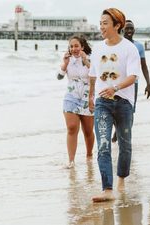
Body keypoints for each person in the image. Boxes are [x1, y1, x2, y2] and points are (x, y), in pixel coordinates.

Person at [88, 8, 142, 202]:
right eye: (100, 23)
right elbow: (93, 75)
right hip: (102, 103)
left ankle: (121, 179)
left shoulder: (129, 48)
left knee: (125, 145)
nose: (101, 27)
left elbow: (134, 76)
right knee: (103, 144)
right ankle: (107, 189)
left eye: (105, 23)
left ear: (117, 25)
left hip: (124, 103)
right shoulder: (97, 48)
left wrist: (115, 88)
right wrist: (91, 96)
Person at [111, 19, 150, 143]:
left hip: (133, 84)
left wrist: (148, 83)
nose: (129, 31)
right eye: (127, 28)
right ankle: (117, 130)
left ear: (134, 30)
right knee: (113, 108)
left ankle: (125, 136)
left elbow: (144, 66)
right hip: (117, 83)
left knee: (130, 109)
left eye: (131, 28)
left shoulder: (138, 46)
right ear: (122, 30)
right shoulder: (117, 44)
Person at [58, 35, 94, 169]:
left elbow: (97, 75)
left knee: (88, 131)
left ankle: (89, 155)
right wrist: (65, 64)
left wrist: (85, 60)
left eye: (76, 46)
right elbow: (59, 77)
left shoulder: (90, 59)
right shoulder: (67, 60)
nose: (74, 49)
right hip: (71, 97)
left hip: (87, 97)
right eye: (71, 46)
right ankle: (71, 161)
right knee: (72, 128)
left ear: (82, 47)